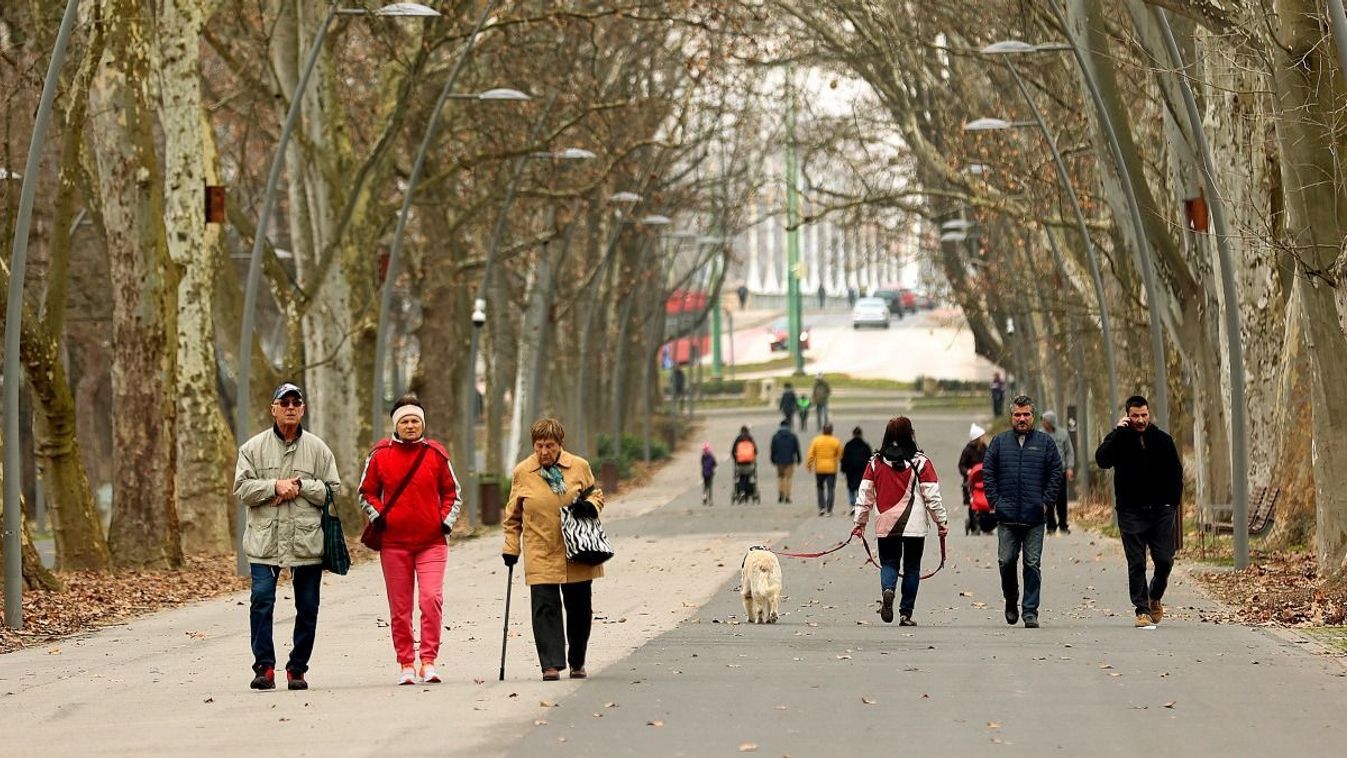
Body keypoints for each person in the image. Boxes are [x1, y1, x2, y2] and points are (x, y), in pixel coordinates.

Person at [233, 382, 341, 691]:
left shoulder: (319, 449)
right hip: (264, 541)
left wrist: (303, 487)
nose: (290, 407)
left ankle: (297, 668)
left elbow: (334, 490)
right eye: (285, 402)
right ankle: (264, 667)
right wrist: (274, 486)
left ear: (303, 409)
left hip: (306, 541)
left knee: (307, 607)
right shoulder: (252, 448)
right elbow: (241, 489)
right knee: (261, 601)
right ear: (274, 409)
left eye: (296, 402)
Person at [358, 395, 461, 685]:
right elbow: (366, 491)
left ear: (423, 424)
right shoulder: (380, 454)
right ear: (396, 425)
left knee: (431, 600)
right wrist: (379, 516)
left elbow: (453, 492)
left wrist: (444, 521)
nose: (411, 425)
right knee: (400, 608)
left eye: (415, 420)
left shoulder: (436, 454)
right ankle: (406, 662)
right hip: (394, 544)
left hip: (432, 542)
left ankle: (428, 661)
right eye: (405, 421)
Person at [501, 418, 605, 681]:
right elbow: (512, 515)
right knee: (545, 608)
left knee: (580, 608)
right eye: (539, 446)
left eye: (549, 446)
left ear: (560, 445)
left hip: (577, 548)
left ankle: (577, 660)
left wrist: (590, 506)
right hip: (540, 548)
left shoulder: (579, 467)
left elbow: (596, 494)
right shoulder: (523, 472)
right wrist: (511, 547)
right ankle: (550, 664)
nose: (544, 452)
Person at [1094, 395, 1183, 628]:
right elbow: (1102, 460)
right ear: (1127, 416)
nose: (1140, 420)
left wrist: (1172, 502)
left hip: (1161, 510)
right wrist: (1118, 433)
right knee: (1136, 562)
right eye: (1135, 416)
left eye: (1144, 415)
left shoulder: (1162, 439)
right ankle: (1141, 610)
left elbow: (1176, 472)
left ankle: (1155, 595)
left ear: (1149, 414)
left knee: (1164, 559)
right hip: (1130, 510)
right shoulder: (1119, 438)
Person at [851, 416, 948, 626]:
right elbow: (932, 496)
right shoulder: (922, 462)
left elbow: (865, 494)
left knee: (889, 563)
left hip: (886, 523)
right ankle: (906, 613)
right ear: (910, 434)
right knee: (912, 567)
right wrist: (941, 521)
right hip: (914, 526)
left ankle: (888, 589)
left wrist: (859, 522)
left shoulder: (875, 463)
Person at [982, 395, 1063, 629]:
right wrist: (994, 501)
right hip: (1006, 516)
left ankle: (1030, 611)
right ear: (1011, 417)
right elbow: (988, 472)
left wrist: (1046, 501)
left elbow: (1055, 472)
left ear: (1033, 416)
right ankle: (1011, 600)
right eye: (1017, 415)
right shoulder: (999, 442)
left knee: (1032, 564)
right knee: (1006, 562)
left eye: (1026, 414)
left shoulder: (1045, 443)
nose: (1022, 419)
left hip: (1035, 517)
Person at [1041, 411, 1075, 535]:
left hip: (1060, 471)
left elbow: (1069, 452)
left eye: (1045, 420)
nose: (1043, 423)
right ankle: (1050, 525)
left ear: (1050, 422)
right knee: (1048, 500)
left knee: (1061, 499)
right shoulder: (1039, 434)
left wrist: (1070, 468)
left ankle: (1063, 525)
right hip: (1045, 472)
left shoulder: (1063, 434)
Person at [806, 423, 843, 516]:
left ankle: (822, 508)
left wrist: (809, 465)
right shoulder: (835, 441)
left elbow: (811, 454)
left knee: (820, 488)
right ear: (831, 431)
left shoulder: (816, 440)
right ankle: (829, 509)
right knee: (831, 489)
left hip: (819, 468)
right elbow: (841, 455)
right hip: (831, 468)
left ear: (822, 430)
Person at [769, 419, 802, 504]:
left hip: (779, 460)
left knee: (780, 477)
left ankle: (780, 494)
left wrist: (772, 458)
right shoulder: (793, 436)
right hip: (790, 460)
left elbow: (773, 449)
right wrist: (798, 458)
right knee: (788, 478)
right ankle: (787, 496)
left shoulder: (775, 436)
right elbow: (797, 448)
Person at [840, 426, 872, 507]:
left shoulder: (848, 445)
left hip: (850, 470)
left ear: (853, 434)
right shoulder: (865, 446)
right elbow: (870, 459)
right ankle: (859, 504)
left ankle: (852, 504)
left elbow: (844, 458)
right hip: (862, 470)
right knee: (860, 487)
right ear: (861, 434)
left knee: (851, 488)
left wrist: (843, 469)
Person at [731, 425, 757, 503]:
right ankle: (749, 492)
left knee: (741, 477)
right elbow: (755, 451)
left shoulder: (738, 439)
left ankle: (741, 491)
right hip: (749, 464)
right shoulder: (750, 439)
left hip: (739, 464)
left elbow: (733, 451)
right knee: (748, 477)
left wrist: (736, 459)